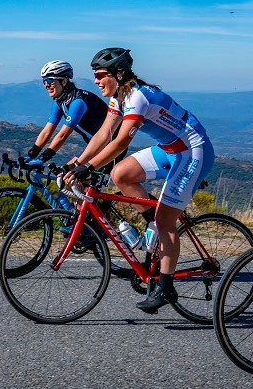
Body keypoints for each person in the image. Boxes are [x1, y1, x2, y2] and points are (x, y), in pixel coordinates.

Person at [64, 47, 215, 313]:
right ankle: (153, 227)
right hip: (170, 148)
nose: (97, 81)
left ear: (119, 74)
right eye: (95, 76)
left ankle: (166, 288)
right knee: (120, 174)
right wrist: (79, 163)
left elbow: (121, 141)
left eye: (101, 75)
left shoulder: (138, 98)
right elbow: (103, 134)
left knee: (166, 220)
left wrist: (87, 168)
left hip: (193, 151)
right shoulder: (118, 97)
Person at [24, 60, 109, 165]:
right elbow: (47, 131)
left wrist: (42, 158)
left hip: (109, 146)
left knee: (68, 177)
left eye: (50, 80)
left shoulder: (78, 102)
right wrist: (30, 155)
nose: (46, 85)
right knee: (66, 176)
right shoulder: (59, 102)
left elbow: (63, 135)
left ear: (64, 81)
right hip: (96, 146)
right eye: (44, 81)